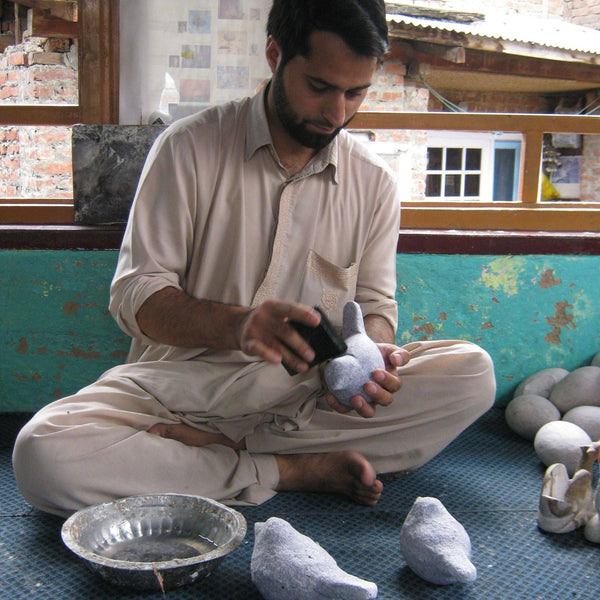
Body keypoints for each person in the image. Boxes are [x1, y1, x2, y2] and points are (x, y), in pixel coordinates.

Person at [13, 0, 495, 517]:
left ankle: (208, 459)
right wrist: (241, 326)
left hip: (303, 395)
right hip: (178, 387)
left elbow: (375, 304)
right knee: (42, 453)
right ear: (274, 54)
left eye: (355, 92)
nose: (338, 113)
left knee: (471, 375)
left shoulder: (373, 182)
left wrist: (369, 355)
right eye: (319, 87)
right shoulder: (188, 149)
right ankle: (286, 469)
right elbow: (137, 297)